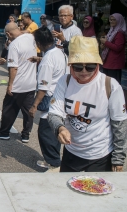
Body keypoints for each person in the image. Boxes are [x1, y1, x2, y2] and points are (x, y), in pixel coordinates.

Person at [48, 36, 127, 172]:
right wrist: (60, 128)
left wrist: (118, 157)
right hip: (72, 151)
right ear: (70, 65)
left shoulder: (110, 85)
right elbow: (54, 113)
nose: (84, 72)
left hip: (100, 155)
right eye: (78, 67)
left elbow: (119, 124)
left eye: (90, 66)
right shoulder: (64, 81)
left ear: (98, 64)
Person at [28, 27, 68, 172]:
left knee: (45, 132)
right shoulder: (59, 52)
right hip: (60, 96)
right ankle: (53, 159)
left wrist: (34, 105)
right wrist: (39, 58)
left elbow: (43, 87)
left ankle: (54, 163)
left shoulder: (47, 60)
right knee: (54, 130)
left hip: (49, 98)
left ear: (39, 42)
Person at [0, 22, 37, 142]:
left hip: (19, 83)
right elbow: (28, 32)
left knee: (8, 108)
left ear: (8, 34)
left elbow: (13, 67)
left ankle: (4, 132)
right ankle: (26, 134)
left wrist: (10, 85)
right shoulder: (31, 37)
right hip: (31, 82)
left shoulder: (14, 44)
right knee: (27, 110)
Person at [100, 13, 126, 84]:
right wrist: (103, 45)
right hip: (108, 62)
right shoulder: (111, 31)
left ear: (119, 21)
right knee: (107, 84)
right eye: (110, 19)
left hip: (114, 64)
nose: (111, 21)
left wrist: (105, 42)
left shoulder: (119, 33)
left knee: (113, 85)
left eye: (114, 20)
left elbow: (118, 48)